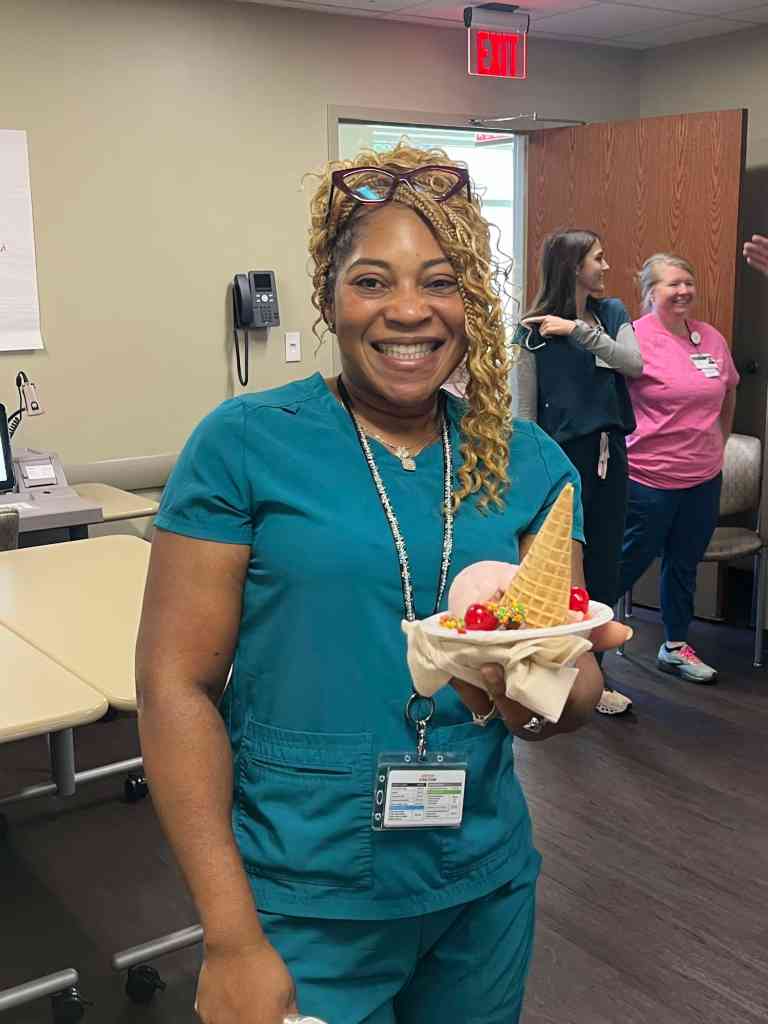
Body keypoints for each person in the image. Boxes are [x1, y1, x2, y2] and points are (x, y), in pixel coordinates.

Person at [135, 145, 629, 1024]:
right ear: (329, 297)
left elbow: (569, 696)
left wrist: (546, 684)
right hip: (301, 895)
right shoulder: (245, 445)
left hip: (480, 887)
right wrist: (230, 938)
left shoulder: (529, 463)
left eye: (440, 282)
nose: (408, 310)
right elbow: (175, 686)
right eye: (372, 281)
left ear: (471, 302)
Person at [513, 230, 643, 717]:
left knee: (605, 566)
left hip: (610, 458)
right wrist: (530, 476)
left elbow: (633, 363)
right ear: (572, 266)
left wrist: (576, 331)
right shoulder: (530, 332)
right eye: (598, 259)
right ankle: (549, 674)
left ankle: (595, 676)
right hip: (558, 464)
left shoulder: (611, 315)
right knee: (559, 572)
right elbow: (525, 415)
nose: (606, 267)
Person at [618, 254, 740, 684]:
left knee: (685, 565)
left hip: (703, 478)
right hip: (648, 479)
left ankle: (674, 646)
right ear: (650, 292)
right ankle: (582, 648)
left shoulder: (709, 337)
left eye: (688, 282)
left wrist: (721, 441)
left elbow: (729, 389)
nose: (684, 290)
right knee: (623, 565)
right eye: (673, 284)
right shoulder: (632, 338)